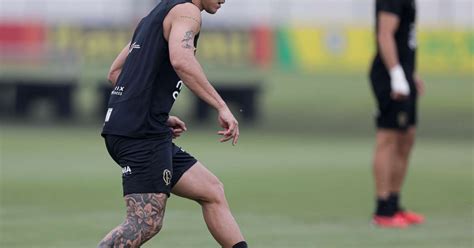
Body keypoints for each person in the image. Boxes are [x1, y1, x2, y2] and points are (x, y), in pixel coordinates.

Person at [97, 0, 248, 247]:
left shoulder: (155, 16)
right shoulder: (188, 13)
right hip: (140, 134)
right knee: (144, 223)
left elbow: (116, 72)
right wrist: (221, 106)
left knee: (211, 191)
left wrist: (157, 113)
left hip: (142, 126)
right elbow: (181, 60)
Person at [369, 0, 425, 228]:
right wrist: (397, 75)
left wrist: (412, 74)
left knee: (407, 137)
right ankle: (383, 209)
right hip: (390, 77)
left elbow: (405, 39)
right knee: (388, 138)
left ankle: (394, 203)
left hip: (405, 73)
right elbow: (384, 34)